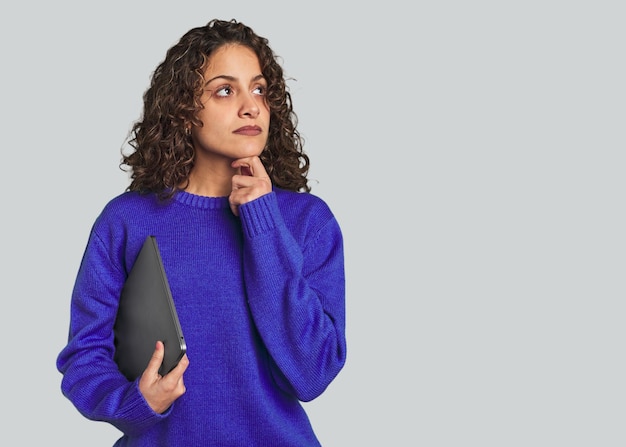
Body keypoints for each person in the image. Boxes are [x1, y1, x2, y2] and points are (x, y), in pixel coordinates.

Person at [56, 18, 347, 446]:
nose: (251, 107)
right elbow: (85, 358)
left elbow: (312, 373)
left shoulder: (307, 222)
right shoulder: (126, 221)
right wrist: (135, 402)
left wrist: (262, 220)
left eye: (260, 90)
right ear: (184, 110)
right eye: (225, 90)